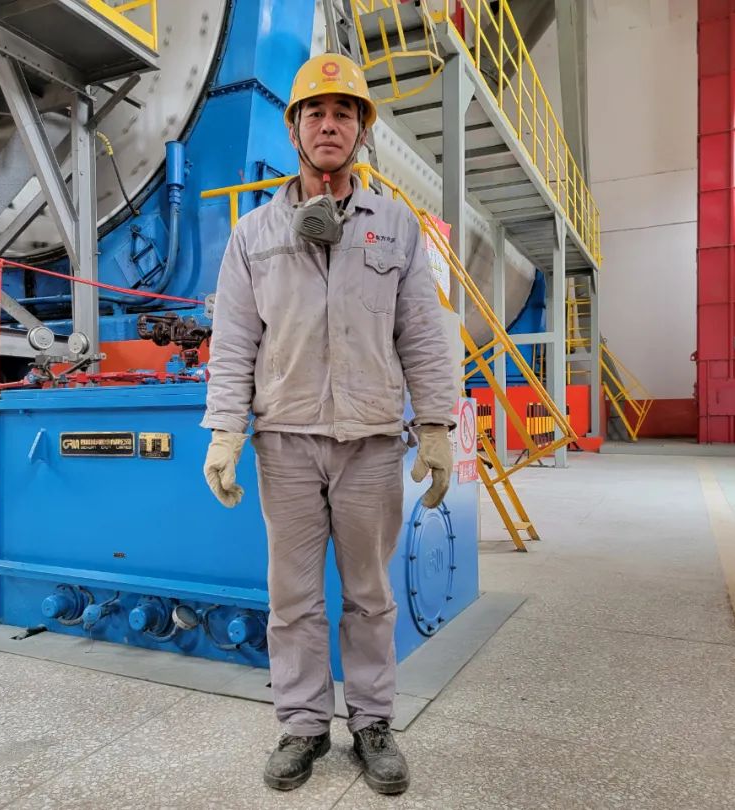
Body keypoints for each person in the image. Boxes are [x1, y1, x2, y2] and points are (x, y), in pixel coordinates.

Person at [200, 52, 456, 796]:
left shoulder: (396, 226)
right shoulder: (254, 233)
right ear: (294, 129)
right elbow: (235, 341)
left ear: (362, 130)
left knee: (370, 595)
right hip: (285, 442)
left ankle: (372, 722)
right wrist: (226, 430)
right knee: (293, 598)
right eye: (315, 112)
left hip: (370, 443)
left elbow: (422, 333)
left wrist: (435, 425)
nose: (329, 124)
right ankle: (303, 725)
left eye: (345, 113)